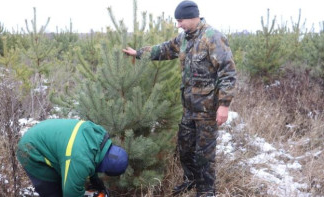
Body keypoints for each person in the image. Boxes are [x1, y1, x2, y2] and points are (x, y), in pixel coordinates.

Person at [123, 1, 236, 196]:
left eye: (181, 20)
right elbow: (164, 49)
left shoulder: (213, 37)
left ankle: (206, 190)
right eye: (177, 21)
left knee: (204, 155)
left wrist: (224, 106)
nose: (178, 25)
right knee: (184, 149)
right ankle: (190, 180)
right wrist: (138, 53)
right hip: (189, 109)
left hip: (207, 110)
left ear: (193, 17)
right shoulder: (184, 38)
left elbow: (228, 73)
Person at [17, 119, 128, 197]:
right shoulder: (79, 160)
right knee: (53, 192)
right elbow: (71, 194)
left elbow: (93, 158)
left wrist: (95, 181)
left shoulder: (100, 135)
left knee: (66, 180)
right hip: (31, 149)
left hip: (45, 133)